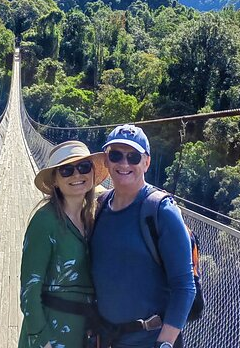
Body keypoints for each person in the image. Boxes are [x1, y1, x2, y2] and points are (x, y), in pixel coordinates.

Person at [90, 125, 195, 348]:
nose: (124, 164)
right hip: (105, 337)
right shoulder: (99, 207)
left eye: (134, 157)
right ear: (106, 161)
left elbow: (184, 285)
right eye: (116, 155)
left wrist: (165, 344)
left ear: (146, 162)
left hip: (147, 340)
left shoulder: (161, 211)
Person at [19, 140, 109, 348]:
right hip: (51, 332)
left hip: (84, 331)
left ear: (92, 173)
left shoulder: (95, 218)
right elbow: (29, 290)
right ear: (55, 181)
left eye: (84, 167)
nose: (77, 175)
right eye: (67, 171)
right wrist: (42, 340)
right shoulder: (45, 221)